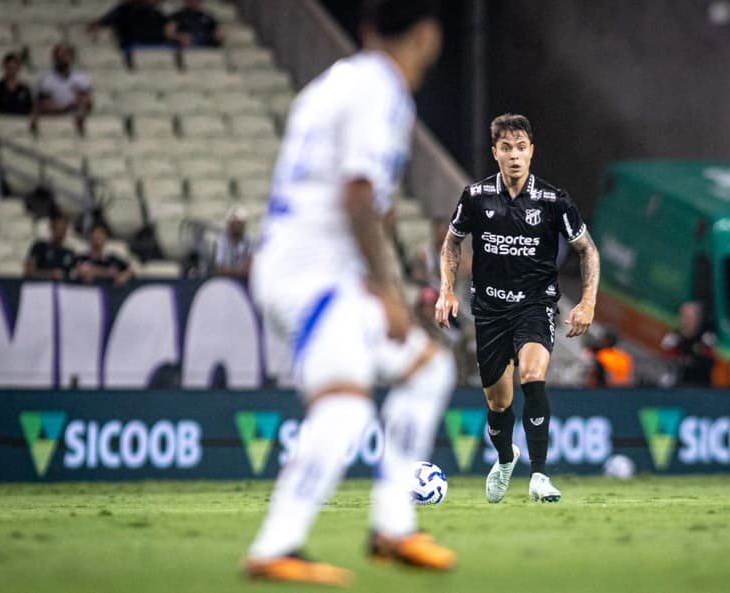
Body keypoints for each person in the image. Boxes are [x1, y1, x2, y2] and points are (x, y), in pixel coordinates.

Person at [246, 0, 453, 586]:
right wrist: (386, 291)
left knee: (426, 370)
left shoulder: (332, 85)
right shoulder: (381, 90)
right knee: (344, 404)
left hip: (309, 267)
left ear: (366, 28)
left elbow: (365, 198)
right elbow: (359, 194)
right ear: (428, 36)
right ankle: (276, 545)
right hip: (312, 275)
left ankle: (393, 525)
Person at [436, 113, 600, 504]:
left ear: (532, 152)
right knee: (498, 401)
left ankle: (539, 475)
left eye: (521, 148)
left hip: (536, 305)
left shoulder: (553, 200)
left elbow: (587, 250)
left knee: (532, 373)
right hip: (489, 310)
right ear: (495, 153)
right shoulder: (475, 197)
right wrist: (446, 290)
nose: (514, 156)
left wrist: (588, 301)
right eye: (506, 148)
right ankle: (506, 457)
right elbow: (450, 245)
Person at [660, 301, 716, 387]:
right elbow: (667, 363)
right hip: (676, 387)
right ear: (680, 318)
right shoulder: (671, 340)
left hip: (703, 387)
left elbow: (711, 362)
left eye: (692, 317)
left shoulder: (707, 339)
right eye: (685, 316)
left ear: (699, 319)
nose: (688, 320)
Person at [36, 44, 93, 123]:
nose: (63, 58)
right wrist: (66, 108)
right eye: (60, 55)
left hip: (76, 121)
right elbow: (43, 105)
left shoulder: (81, 78)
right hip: (53, 122)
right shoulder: (46, 79)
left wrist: (83, 103)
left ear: (71, 57)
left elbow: (88, 102)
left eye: (66, 54)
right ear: (55, 58)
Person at [89, 0, 169, 51]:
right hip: (132, 41)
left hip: (153, 41)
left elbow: (166, 26)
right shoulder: (124, 9)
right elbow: (107, 20)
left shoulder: (155, 12)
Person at [24, 213, 76, 280]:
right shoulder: (39, 247)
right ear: (52, 228)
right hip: (39, 286)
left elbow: (73, 275)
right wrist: (50, 274)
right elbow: (29, 271)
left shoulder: (69, 253)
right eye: (58, 228)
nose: (61, 232)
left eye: (64, 229)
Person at [211, 205, 253, 278]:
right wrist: (239, 272)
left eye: (239, 223)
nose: (237, 226)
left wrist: (230, 271)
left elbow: (249, 268)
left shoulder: (250, 240)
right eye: (234, 223)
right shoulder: (221, 240)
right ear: (229, 224)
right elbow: (220, 268)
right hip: (224, 281)